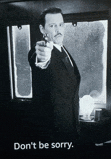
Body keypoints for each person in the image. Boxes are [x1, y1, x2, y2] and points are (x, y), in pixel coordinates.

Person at [28, 7, 81, 142]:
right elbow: (39, 60)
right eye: (52, 26)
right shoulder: (42, 50)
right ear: (42, 29)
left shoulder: (63, 49)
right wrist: (42, 58)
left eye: (61, 25)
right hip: (52, 132)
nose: (58, 30)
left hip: (71, 126)